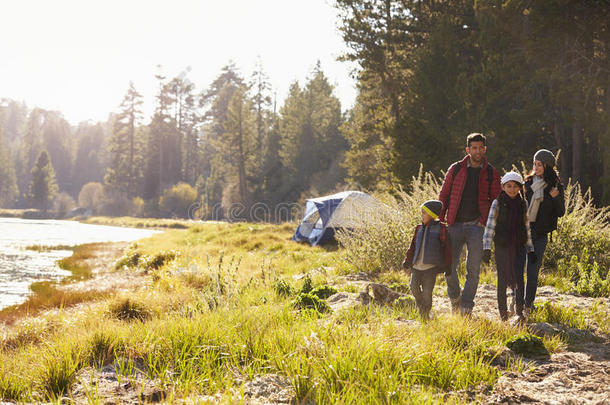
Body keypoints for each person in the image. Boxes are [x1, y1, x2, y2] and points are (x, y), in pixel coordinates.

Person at [439, 133, 501, 315]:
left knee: (473, 270)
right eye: (474, 148)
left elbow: (496, 200)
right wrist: (440, 219)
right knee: (448, 266)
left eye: (480, 148)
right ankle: (455, 297)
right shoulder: (456, 169)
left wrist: (486, 223)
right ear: (468, 150)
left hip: (477, 227)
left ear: (485, 149)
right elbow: (444, 195)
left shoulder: (491, 172)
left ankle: (466, 307)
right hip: (454, 225)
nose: (477, 151)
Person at [515, 149, 565, 319]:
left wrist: (556, 197)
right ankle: (517, 304)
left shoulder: (556, 186)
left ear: (547, 166)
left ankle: (528, 305)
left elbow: (561, 212)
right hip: (523, 232)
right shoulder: (526, 184)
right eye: (534, 164)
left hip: (540, 236)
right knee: (518, 270)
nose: (536, 167)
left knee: (532, 272)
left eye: (540, 165)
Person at [482, 172, 536, 321]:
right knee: (502, 278)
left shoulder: (523, 204)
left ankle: (519, 310)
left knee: (519, 277)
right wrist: (486, 248)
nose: (512, 189)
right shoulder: (497, 203)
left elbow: (526, 227)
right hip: (502, 246)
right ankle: (503, 312)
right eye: (508, 186)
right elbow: (490, 226)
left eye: (515, 186)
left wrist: (530, 249)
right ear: (503, 187)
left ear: (520, 188)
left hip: (518, 246)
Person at [402, 200, 452, 321]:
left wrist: (448, 266)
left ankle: (425, 314)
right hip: (417, 267)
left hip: (430, 268)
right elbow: (412, 246)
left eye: (424, 213)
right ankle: (422, 307)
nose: (422, 215)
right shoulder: (418, 228)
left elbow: (447, 249)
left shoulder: (441, 229)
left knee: (427, 292)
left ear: (432, 214)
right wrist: (407, 261)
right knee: (413, 287)